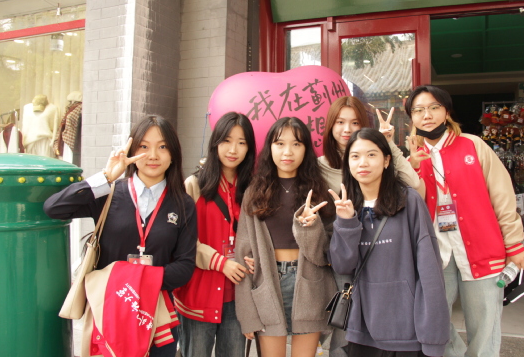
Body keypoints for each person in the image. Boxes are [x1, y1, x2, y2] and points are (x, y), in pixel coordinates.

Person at [44, 115, 197, 357]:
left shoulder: (183, 204)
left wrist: (131, 279)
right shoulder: (109, 193)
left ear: (173, 154)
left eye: (162, 147)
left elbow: (185, 268)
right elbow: (53, 208)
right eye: (144, 146)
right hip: (109, 313)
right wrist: (106, 177)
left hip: (157, 317)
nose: (153, 155)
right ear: (131, 151)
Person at [405, 85, 524, 357]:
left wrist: (514, 244)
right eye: (418, 110)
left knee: (485, 324)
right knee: (433, 319)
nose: (427, 115)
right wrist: (412, 166)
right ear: (412, 118)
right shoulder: (412, 159)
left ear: (446, 111)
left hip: (482, 247)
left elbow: (502, 195)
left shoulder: (473, 145)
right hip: (435, 253)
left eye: (434, 107)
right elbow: (408, 207)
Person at [328, 128, 449, 357]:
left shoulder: (409, 201)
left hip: (406, 332)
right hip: (362, 330)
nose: (363, 162)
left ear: (386, 161)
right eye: (355, 156)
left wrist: (434, 338)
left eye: (371, 155)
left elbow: (430, 271)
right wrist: (345, 222)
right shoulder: (348, 206)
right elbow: (343, 266)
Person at [318, 96, 422, 357]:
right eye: (340, 122)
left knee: (372, 327)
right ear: (330, 126)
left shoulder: (374, 160)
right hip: (338, 254)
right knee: (343, 325)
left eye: (355, 123)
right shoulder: (319, 166)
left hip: (375, 251)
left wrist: (386, 143)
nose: (347, 129)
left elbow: (413, 184)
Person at [234, 117, 338, 357]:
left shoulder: (318, 191)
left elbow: (326, 255)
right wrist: (247, 315)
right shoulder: (254, 192)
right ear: (270, 148)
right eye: (280, 143)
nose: (287, 152)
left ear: (306, 149)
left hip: (311, 284)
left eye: (296, 144)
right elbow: (243, 254)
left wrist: (311, 228)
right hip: (267, 282)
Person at [173, 112, 256, 357]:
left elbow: (259, 237)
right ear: (215, 143)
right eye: (227, 140)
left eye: (241, 142)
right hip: (198, 296)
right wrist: (221, 263)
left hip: (238, 296)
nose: (233, 149)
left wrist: (255, 257)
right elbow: (183, 241)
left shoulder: (252, 189)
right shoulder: (194, 185)